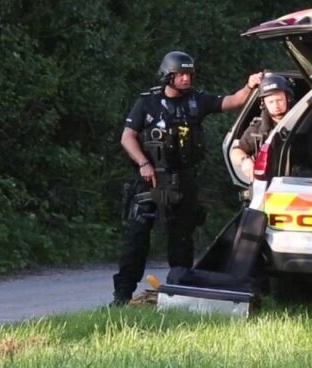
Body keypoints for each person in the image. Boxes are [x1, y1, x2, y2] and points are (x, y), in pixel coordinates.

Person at [111, 50, 262, 306]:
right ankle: (122, 296)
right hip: (151, 179)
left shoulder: (197, 100)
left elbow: (232, 101)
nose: (186, 79)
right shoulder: (147, 102)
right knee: (136, 239)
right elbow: (128, 136)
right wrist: (143, 163)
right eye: (180, 74)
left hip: (184, 180)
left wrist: (250, 85)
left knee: (182, 240)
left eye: (189, 74)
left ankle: (179, 295)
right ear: (167, 76)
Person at [229, 74, 294, 182]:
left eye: (279, 100)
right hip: (266, 184)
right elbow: (236, 151)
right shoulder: (258, 128)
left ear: (288, 98)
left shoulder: (303, 120)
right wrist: (245, 160)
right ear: (264, 104)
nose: (276, 105)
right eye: (271, 102)